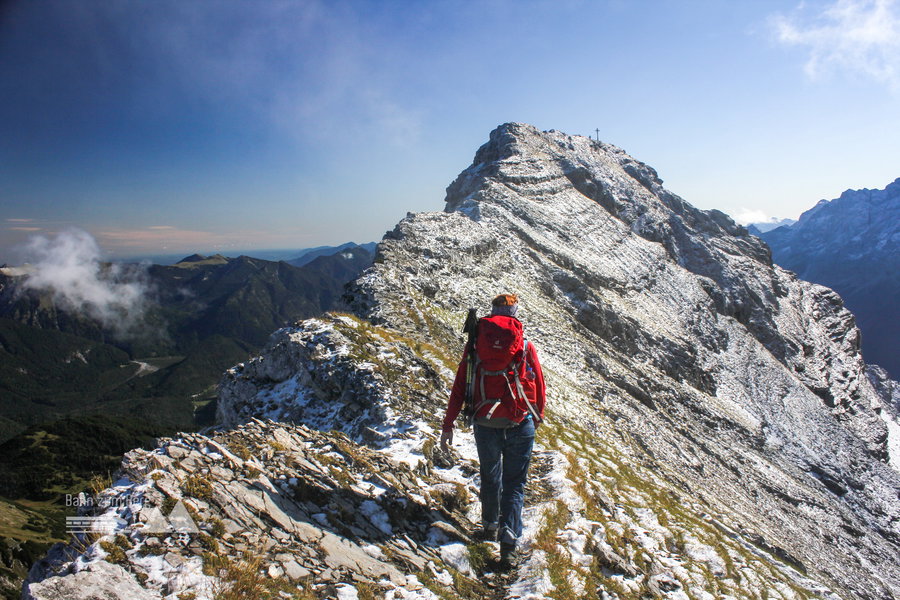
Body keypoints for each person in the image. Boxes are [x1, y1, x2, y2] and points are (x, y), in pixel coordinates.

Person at [440, 293, 546, 567]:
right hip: (518, 421)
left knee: (490, 475)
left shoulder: (476, 344)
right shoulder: (524, 344)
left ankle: (489, 526)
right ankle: (509, 541)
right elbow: (539, 383)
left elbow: (460, 384)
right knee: (515, 484)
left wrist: (448, 424)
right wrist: (537, 415)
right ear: (514, 312)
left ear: (492, 312)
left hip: (484, 421)